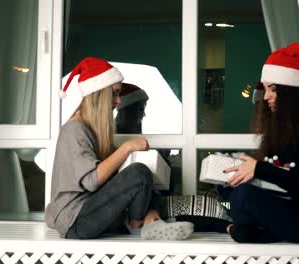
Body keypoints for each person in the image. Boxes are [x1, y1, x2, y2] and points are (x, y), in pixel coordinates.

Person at [45, 57, 193, 240]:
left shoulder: (91, 130)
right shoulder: (75, 129)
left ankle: (151, 222)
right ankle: (139, 224)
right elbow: (92, 181)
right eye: (115, 93)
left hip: (89, 213)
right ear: (99, 93)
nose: (117, 101)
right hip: (75, 220)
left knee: (150, 180)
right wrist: (127, 148)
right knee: (138, 173)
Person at [223, 43, 299, 243]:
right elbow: (281, 180)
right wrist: (245, 173)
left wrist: (260, 169)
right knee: (238, 192)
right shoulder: (284, 132)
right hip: (290, 213)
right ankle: (246, 230)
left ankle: (245, 230)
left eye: (272, 89)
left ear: (291, 93)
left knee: (244, 196)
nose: (266, 97)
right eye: (265, 89)